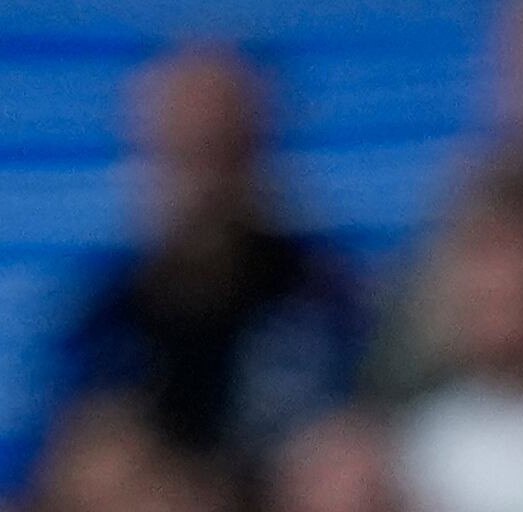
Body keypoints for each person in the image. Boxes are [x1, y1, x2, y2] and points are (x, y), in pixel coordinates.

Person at [49, 45, 366, 465]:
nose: (205, 185)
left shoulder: (329, 300)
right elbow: (64, 469)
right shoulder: (104, 315)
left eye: (222, 151)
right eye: (186, 153)